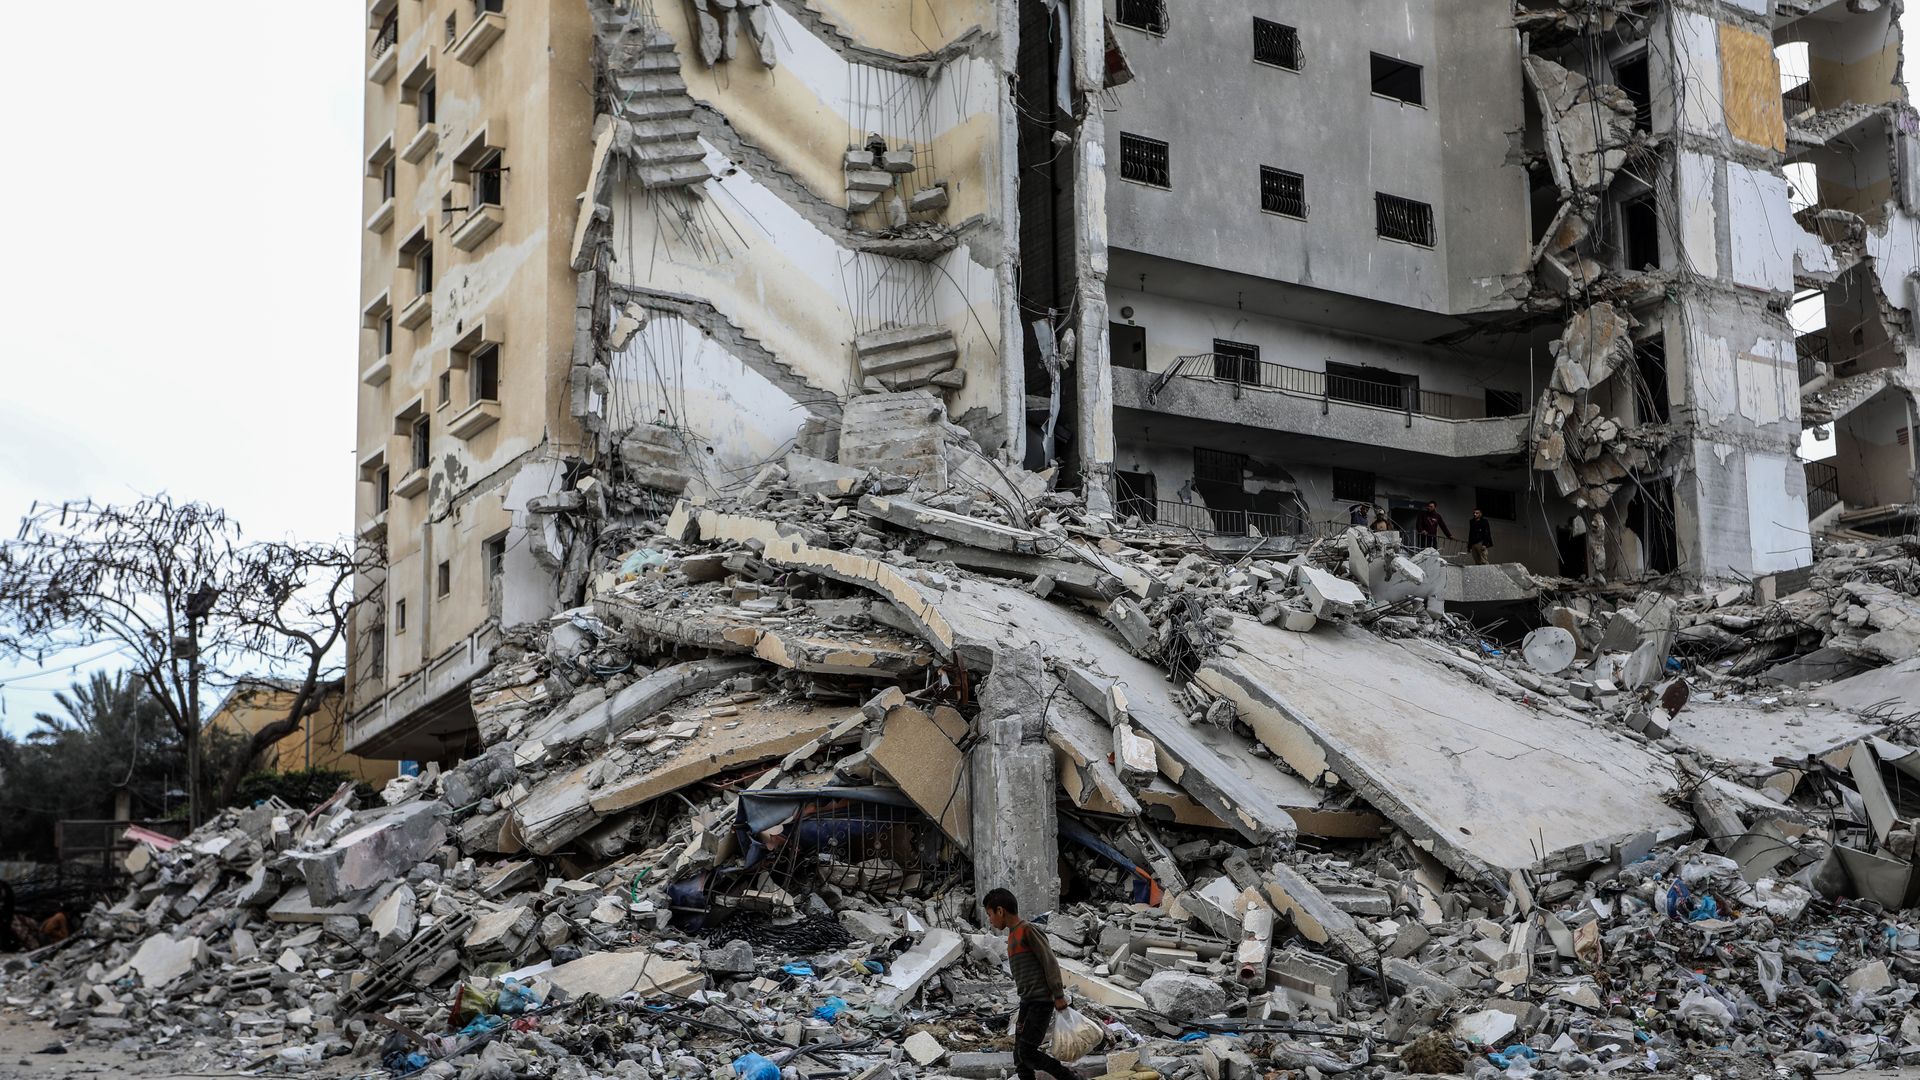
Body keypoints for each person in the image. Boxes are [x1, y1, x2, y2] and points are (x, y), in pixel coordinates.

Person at [983, 888, 1078, 1080]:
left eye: (990, 914)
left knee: (1027, 1051)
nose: (990, 920)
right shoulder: (1012, 935)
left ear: (1000, 911)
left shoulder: (1027, 930)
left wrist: (1058, 995)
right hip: (1027, 1001)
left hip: (1041, 1001)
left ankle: (1070, 1078)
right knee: (1019, 1056)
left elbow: (1049, 961)